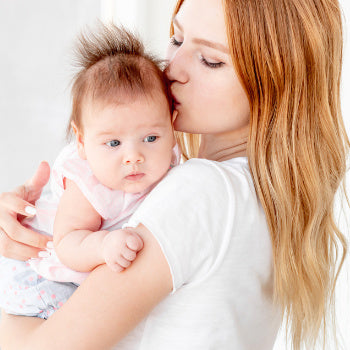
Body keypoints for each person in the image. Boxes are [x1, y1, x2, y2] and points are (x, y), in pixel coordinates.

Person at [0, 0, 348, 349]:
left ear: (275, 79)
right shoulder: (264, 196)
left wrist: (25, 273)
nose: (171, 69)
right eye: (177, 39)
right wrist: (45, 225)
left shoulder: (203, 191)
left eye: (211, 61)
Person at [0, 24, 180, 319]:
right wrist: (104, 244)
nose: (133, 157)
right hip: (41, 275)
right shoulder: (89, 184)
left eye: (150, 138)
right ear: (82, 142)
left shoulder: (175, 166)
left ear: (171, 126)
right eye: (113, 143)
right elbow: (68, 243)